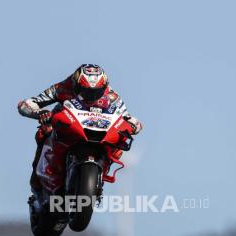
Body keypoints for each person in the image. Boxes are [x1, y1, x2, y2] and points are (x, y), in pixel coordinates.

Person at [17, 64, 142, 193]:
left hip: (98, 131)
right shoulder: (62, 88)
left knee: (117, 145)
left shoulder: (111, 96)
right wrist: (40, 113)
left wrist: (134, 125)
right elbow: (27, 104)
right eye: (86, 91)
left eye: (96, 92)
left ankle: (99, 177)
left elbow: (127, 118)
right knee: (45, 131)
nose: (91, 96)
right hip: (70, 128)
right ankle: (37, 180)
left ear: (104, 87)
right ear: (76, 84)